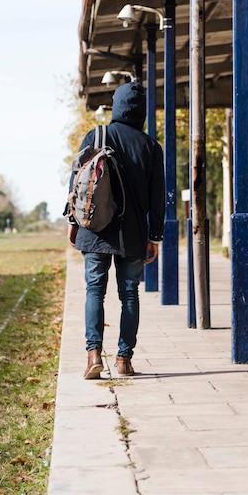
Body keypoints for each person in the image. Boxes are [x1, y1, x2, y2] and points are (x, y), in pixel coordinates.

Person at [64, 81, 165, 379]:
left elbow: (77, 183)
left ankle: (93, 355)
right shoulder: (150, 147)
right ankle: (124, 360)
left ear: (116, 105)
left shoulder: (96, 135)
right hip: (132, 234)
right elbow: (157, 198)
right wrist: (154, 236)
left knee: (94, 290)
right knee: (129, 294)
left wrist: (73, 221)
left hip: (95, 230)